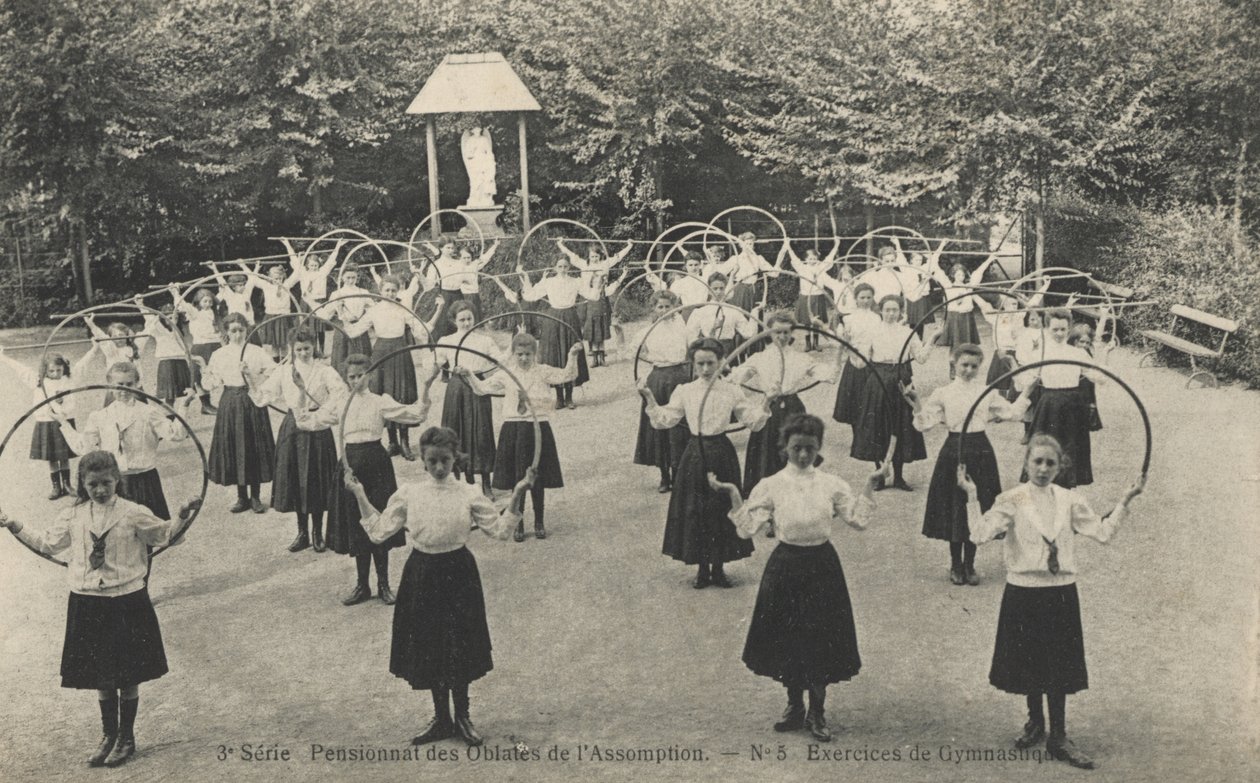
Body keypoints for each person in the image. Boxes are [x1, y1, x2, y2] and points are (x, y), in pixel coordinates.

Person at [0, 451, 199, 768]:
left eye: (106, 482)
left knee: (128, 671)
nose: (101, 490)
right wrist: (13, 524)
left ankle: (126, 738)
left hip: (126, 600)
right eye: (93, 484)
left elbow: (164, 535)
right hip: (88, 600)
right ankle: (108, 735)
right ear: (82, 483)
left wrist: (183, 516)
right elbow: (47, 544)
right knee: (102, 673)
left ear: (117, 480)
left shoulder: (133, 512)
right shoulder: (73, 515)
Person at [960, 434, 1145, 770]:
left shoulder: (1070, 500)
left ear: (1061, 467)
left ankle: (1058, 736)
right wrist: (972, 496)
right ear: (1026, 463)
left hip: (1060, 592)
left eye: (1050, 463)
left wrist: (1126, 500)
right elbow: (978, 535)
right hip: (1023, 591)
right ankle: (1035, 723)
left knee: (1057, 664)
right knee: (1029, 660)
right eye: (1037, 461)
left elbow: (1102, 533)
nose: (1043, 469)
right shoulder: (1011, 499)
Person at [343, 427, 536, 747]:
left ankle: (462, 715)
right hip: (422, 575)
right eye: (432, 461)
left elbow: (501, 530)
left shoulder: (469, 492)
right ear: (422, 460)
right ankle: (441, 719)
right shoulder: (409, 493)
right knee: (431, 646)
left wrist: (518, 491)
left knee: (459, 645)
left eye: (444, 460)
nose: (438, 467)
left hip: (459, 574)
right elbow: (378, 532)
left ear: (454, 458)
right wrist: (359, 493)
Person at [709, 414, 885, 742]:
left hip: (822, 567)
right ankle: (794, 706)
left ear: (818, 448)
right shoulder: (771, 485)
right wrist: (734, 494)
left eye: (810, 448)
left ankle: (817, 711)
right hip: (785, 566)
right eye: (796, 448)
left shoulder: (831, 484)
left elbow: (858, 520)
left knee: (820, 640)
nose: (803, 455)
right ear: (784, 447)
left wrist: (870, 485)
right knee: (787, 639)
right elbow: (747, 528)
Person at [639, 337, 771, 588]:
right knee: (696, 509)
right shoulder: (685, 390)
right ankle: (701, 568)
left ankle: (719, 568)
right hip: (695, 453)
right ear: (693, 365)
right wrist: (650, 398)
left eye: (711, 363)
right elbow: (665, 419)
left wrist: (767, 401)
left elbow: (753, 420)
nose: (706, 369)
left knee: (721, 508)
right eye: (701, 364)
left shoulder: (732, 390)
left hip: (722, 452)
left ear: (721, 362)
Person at [905, 343, 1032, 585]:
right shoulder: (943, 392)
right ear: (954, 364)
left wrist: (1027, 393)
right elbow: (924, 424)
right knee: (956, 507)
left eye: (974, 366)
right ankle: (955, 564)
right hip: (954, 451)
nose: (968, 370)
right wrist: (917, 404)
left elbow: (1013, 413)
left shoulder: (987, 392)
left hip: (980, 450)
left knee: (978, 507)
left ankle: (970, 564)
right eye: (964, 365)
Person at [317, 354, 433, 605]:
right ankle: (362, 585)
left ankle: (383, 584)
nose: (356, 381)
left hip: (376, 464)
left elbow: (415, 414)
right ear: (346, 379)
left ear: (370, 375)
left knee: (380, 521)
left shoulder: (380, 402)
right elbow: (314, 420)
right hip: (350, 464)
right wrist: (301, 392)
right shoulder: (340, 401)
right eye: (351, 377)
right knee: (358, 525)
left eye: (361, 375)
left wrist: (426, 386)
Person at [455, 334, 582, 541]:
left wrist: (573, 355)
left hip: (538, 428)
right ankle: (518, 523)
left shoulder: (542, 372)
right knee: (517, 479)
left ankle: (539, 521)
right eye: (520, 354)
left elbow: (567, 375)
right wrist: (468, 373)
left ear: (535, 354)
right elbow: (481, 389)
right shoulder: (506, 374)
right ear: (513, 354)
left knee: (537, 476)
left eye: (528, 354)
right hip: (513, 430)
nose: (524, 358)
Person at [246, 329, 348, 553]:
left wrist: (323, 411)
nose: (303, 353)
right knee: (297, 479)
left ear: (314, 348)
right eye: (298, 349)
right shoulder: (284, 371)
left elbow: (340, 394)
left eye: (307, 349)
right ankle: (302, 532)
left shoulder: (325, 370)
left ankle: (317, 532)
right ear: (291, 350)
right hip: (293, 427)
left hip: (318, 424)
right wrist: (250, 380)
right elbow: (265, 394)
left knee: (317, 479)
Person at [56, 361, 195, 524]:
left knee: (148, 530)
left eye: (129, 384)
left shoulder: (149, 412)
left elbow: (176, 434)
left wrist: (183, 406)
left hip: (146, 481)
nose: (124, 389)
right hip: (114, 483)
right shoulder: (99, 416)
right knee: (117, 532)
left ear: (137, 385)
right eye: (119, 384)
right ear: (109, 385)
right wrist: (63, 423)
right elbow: (82, 447)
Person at [734, 311, 838, 498]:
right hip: (768, 408)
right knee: (766, 453)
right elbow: (738, 377)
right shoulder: (759, 357)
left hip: (793, 409)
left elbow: (828, 375)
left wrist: (838, 354)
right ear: (768, 333)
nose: (782, 337)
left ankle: (796, 500)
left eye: (786, 332)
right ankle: (766, 500)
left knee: (795, 452)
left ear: (792, 333)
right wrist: (729, 372)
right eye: (777, 332)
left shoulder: (800, 358)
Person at [342, 277, 443, 460]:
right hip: (380, 354)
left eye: (393, 290)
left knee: (402, 392)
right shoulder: (373, 310)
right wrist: (341, 313)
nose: (390, 293)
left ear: (398, 291)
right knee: (383, 393)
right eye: (386, 290)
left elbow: (421, 330)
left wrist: (437, 311)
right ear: (380, 291)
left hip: (400, 351)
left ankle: (404, 442)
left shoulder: (403, 309)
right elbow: (355, 330)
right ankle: (392, 441)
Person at [849, 295, 936, 490]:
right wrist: (849, 349)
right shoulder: (872, 332)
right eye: (887, 310)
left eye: (894, 310)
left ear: (901, 312)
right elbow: (860, 362)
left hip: (901, 380)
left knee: (901, 425)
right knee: (879, 426)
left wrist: (932, 339)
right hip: (878, 379)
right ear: (880, 310)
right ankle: (880, 474)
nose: (890, 314)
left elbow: (921, 358)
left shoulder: (907, 332)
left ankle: (899, 477)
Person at [198, 313, 277, 513]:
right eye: (233, 330)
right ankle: (242, 497)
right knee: (236, 447)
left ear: (246, 330)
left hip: (251, 400)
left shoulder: (256, 351)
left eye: (241, 330)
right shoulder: (219, 354)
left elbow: (273, 372)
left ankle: (256, 497)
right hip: (230, 403)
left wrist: (254, 378)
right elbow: (211, 384)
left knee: (253, 446)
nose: (238, 334)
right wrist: (204, 371)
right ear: (226, 332)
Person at [1023, 310, 1101, 488]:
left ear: (1069, 329)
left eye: (1063, 330)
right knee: (1047, 448)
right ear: (1047, 328)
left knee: (1070, 450)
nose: (1059, 334)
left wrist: (1104, 358)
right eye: (1055, 329)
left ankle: (1066, 493)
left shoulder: (1077, 353)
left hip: (1074, 406)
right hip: (1049, 405)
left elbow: (1097, 376)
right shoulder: (1040, 353)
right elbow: (1028, 381)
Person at [435, 301, 500, 495]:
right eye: (461, 319)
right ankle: (462, 481)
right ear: (454, 321)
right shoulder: (446, 340)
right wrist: (442, 365)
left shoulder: (484, 341)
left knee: (481, 433)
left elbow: (499, 359)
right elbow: (439, 362)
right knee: (456, 431)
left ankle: (486, 482)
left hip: (477, 386)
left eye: (469, 318)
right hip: (456, 389)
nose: (466, 323)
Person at [0, 348, 80, 499]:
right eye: (52, 371)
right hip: (46, 422)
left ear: (64, 368)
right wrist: (2, 357)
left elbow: (82, 365)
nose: (56, 374)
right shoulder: (38, 381)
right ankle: (56, 486)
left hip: (63, 421)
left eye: (59, 370)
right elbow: (20, 369)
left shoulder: (68, 380)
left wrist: (95, 348)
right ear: (45, 371)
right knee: (51, 456)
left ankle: (67, 484)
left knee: (63, 455)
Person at [632, 291, 692, 493]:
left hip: (680, 377)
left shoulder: (683, 328)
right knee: (658, 428)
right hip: (658, 379)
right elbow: (633, 352)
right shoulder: (647, 331)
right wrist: (651, 360)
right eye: (660, 307)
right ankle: (664, 476)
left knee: (680, 427)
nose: (665, 310)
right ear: (654, 309)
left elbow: (692, 348)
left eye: (668, 306)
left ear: (674, 307)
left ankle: (678, 473)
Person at [514, 256, 591, 409]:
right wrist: (524, 276)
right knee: (555, 356)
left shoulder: (576, 281)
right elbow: (530, 295)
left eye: (565, 266)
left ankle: (569, 397)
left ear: (569, 267)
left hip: (570, 318)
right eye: (560, 266)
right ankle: (559, 398)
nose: (563, 269)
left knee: (570, 354)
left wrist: (600, 280)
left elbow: (592, 295)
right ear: (555, 268)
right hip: (553, 320)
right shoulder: (548, 282)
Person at [828, 283, 880, 428]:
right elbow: (844, 343)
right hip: (854, 362)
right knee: (855, 404)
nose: (865, 300)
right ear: (856, 299)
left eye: (869, 297)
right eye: (862, 297)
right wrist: (851, 353)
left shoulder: (877, 318)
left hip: (872, 362)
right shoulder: (848, 319)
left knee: (871, 404)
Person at [927, 251, 1001, 349]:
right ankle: (953, 362)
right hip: (954, 316)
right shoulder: (948, 285)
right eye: (958, 275)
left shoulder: (968, 287)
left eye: (962, 275)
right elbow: (937, 271)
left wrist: (989, 259)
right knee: (955, 344)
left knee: (966, 345)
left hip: (967, 316)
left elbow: (978, 272)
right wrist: (933, 257)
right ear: (953, 275)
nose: (960, 277)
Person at [684, 273, 760, 365]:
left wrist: (755, 312)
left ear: (725, 289)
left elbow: (749, 333)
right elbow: (690, 338)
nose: (718, 292)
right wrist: (705, 344)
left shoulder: (734, 310)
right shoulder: (699, 312)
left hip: (729, 354)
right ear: (708, 290)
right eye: (715, 289)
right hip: (708, 354)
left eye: (721, 288)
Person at [171, 285, 222, 414]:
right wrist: (176, 293)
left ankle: (215, 403)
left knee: (215, 374)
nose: (208, 304)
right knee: (200, 376)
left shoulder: (213, 312)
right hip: (202, 346)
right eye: (205, 301)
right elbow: (182, 305)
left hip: (215, 345)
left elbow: (222, 294)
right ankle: (206, 404)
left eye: (210, 301)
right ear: (198, 302)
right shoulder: (195, 313)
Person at [785, 239, 839, 352]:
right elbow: (794, 258)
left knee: (817, 322)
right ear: (805, 260)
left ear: (817, 259)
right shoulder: (802, 268)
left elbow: (829, 258)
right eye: (810, 259)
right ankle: (808, 343)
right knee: (807, 323)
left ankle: (816, 343)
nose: (813, 261)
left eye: (815, 259)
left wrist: (836, 244)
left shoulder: (821, 268)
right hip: (806, 297)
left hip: (818, 297)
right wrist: (788, 246)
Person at [322, 263, 373, 373]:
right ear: (342, 278)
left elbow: (373, 310)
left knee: (361, 358)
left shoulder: (363, 292)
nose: (350, 280)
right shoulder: (337, 294)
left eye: (353, 277)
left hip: (359, 328)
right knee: (342, 357)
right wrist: (338, 307)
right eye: (348, 278)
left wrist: (365, 318)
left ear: (357, 278)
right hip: (342, 329)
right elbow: (326, 314)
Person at [137, 305, 192, 406]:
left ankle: (181, 413)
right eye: (169, 318)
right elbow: (150, 318)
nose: (172, 320)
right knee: (169, 394)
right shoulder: (160, 331)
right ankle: (170, 416)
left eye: (175, 317)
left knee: (185, 392)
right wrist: (140, 305)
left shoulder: (178, 331)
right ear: (163, 319)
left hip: (181, 362)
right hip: (168, 363)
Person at [252, 262, 300, 360]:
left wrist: (298, 260)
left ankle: (285, 363)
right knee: (274, 344)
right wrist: (255, 268)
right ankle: (276, 363)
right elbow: (253, 279)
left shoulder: (286, 285)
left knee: (284, 344)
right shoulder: (266, 286)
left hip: (284, 317)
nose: (277, 281)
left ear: (283, 278)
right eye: (275, 279)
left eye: (279, 279)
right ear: (269, 278)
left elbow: (297, 273)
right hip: (271, 317)